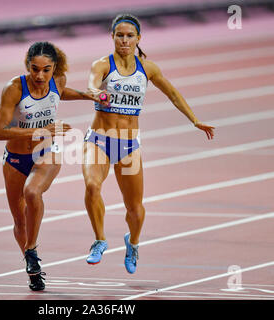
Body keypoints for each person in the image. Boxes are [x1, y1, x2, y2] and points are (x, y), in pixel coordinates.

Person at [82, 14, 215, 274]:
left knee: (135, 209)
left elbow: (173, 94)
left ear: (138, 38)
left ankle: (132, 244)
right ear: (112, 37)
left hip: (128, 146)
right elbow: (91, 83)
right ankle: (99, 240)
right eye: (119, 35)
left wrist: (195, 120)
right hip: (99, 139)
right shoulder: (102, 65)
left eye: (130, 36)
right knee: (91, 185)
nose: (124, 40)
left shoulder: (148, 68)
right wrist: (96, 92)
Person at [0, 41, 107, 291]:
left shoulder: (59, 80)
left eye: (46, 70)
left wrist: (87, 95)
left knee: (32, 192)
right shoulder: (13, 89)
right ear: (28, 66)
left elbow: (61, 91)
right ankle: (33, 269)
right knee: (19, 222)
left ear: (54, 68)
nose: (40, 76)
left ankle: (31, 251)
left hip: (46, 151)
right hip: (14, 158)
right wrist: (41, 129)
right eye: (35, 69)